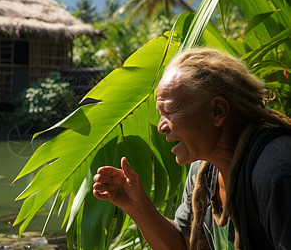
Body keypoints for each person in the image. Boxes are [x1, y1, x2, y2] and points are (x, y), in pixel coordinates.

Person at [93, 48, 291, 250]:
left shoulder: (276, 171)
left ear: (218, 110)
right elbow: (185, 245)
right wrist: (137, 205)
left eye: (169, 111)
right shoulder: (203, 172)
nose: (161, 127)